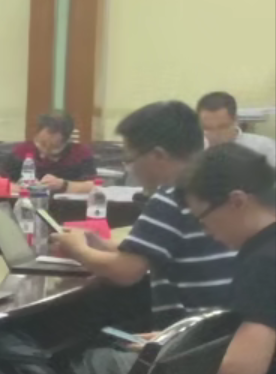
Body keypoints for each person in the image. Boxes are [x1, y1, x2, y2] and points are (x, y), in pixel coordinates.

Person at [52, 101, 232, 327]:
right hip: (222, 327)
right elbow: (157, 252)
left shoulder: (171, 196)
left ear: (158, 156)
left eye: (129, 159)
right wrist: (101, 245)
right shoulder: (216, 188)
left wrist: (77, 249)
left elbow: (125, 271)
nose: (130, 169)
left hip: (187, 335)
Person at [181, 144, 276, 374]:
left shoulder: (265, 263)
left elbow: (240, 371)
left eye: (203, 219)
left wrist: (169, 353)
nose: (206, 231)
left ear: (237, 201)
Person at [1, 111, 97, 192]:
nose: (43, 154)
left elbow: (94, 186)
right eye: (41, 143)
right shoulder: (22, 150)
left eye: (52, 147)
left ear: (65, 141)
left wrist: (63, 185)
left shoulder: (80, 153)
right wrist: (20, 189)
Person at [197, 91, 276, 167]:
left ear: (235, 119)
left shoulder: (263, 147)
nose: (215, 134)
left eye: (222, 127)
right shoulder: (195, 150)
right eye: (207, 128)